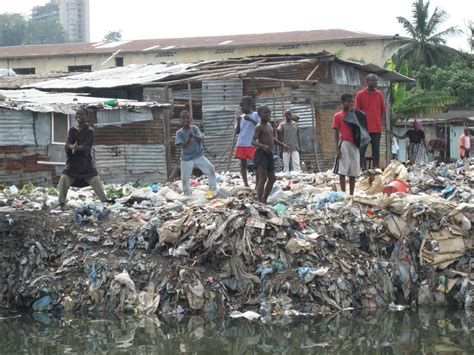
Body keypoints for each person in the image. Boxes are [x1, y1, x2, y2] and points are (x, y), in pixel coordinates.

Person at [58, 107, 111, 207]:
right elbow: (67, 143)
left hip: (85, 163)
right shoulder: (72, 130)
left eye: (81, 114)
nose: (78, 116)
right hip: (73, 164)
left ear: (86, 117)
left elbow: (87, 146)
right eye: (77, 114)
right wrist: (71, 146)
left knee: (95, 179)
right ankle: (61, 202)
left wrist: (77, 147)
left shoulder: (89, 131)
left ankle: (104, 200)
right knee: (64, 178)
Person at [175, 110, 217, 196]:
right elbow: (182, 145)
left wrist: (193, 136)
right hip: (186, 158)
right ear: (180, 120)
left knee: (211, 169)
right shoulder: (179, 132)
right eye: (183, 118)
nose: (185, 120)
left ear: (190, 119)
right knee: (185, 178)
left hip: (198, 155)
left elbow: (201, 138)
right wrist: (189, 138)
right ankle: (187, 193)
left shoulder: (194, 128)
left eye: (187, 118)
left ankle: (213, 189)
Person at [252, 106, 287, 203]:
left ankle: (264, 200)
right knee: (262, 178)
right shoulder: (259, 126)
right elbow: (253, 141)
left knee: (272, 179)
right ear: (259, 114)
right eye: (265, 113)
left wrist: (281, 144)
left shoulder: (269, 126)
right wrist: (263, 146)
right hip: (261, 154)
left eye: (269, 113)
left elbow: (272, 139)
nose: (268, 115)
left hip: (269, 154)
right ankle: (259, 201)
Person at [355, 73, 386, 169]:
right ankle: (361, 169)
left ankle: (376, 169)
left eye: (376, 80)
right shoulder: (360, 94)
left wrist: (381, 123)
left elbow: (383, 110)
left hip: (376, 128)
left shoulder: (379, 94)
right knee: (361, 151)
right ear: (367, 82)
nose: (375, 82)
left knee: (376, 151)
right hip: (364, 129)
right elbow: (356, 110)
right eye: (372, 80)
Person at [332, 94, 361, 195]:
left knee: (354, 171)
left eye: (352, 102)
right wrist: (337, 148)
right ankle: (344, 193)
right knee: (343, 171)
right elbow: (335, 133)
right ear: (343, 103)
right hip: (344, 144)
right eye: (348, 102)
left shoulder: (356, 115)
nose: (351, 104)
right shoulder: (338, 116)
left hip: (355, 145)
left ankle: (351, 194)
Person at [235, 96, 260, 187]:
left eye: (243, 106)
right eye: (240, 106)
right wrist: (238, 122)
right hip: (241, 143)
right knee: (243, 164)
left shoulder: (256, 115)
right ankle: (246, 184)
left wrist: (250, 120)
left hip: (252, 143)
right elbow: (237, 132)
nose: (241, 108)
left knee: (256, 164)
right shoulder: (241, 117)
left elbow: (260, 125)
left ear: (250, 105)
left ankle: (258, 184)